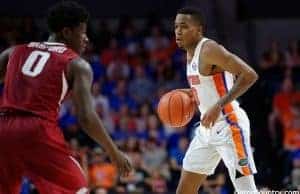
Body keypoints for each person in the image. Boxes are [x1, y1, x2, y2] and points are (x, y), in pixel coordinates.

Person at [0, 1, 132, 194]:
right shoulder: (77, 64)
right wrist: (114, 152)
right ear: (67, 32)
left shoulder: (14, 51)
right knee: (77, 189)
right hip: (37, 130)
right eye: (82, 32)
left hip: (3, 128)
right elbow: (86, 117)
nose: (86, 39)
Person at [174, 7, 259, 194]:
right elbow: (211, 86)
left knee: (247, 191)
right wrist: (191, 94)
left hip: (230, 126)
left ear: (198, 30)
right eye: (176, 27)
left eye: (184, 26)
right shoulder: (190, 53)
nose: (178, 31)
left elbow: (249, 75)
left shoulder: (209, 49)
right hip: (207, 129)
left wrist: (219, 104)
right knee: (185, 189)